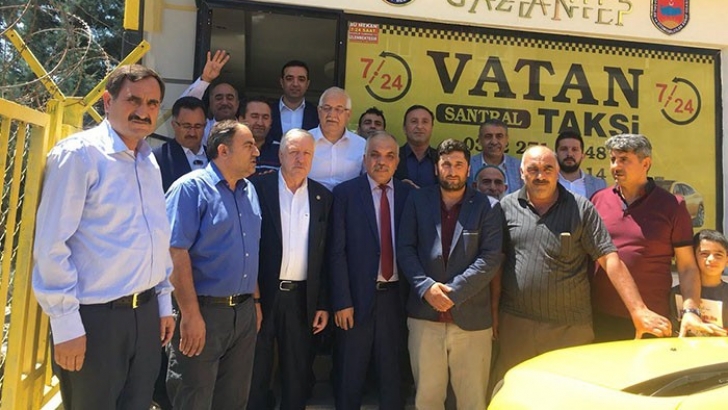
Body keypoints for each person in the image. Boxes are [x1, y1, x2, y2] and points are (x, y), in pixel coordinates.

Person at [32, 64, 175, 409]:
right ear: (108, 101)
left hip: (145, 316)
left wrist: (163, 304)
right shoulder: (79, 155)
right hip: (95, 321)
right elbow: (51, 246)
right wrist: (66, 325)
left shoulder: (149, 162)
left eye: (152, 103)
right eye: (133, 100)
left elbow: (156, 238)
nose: (143, 111)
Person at [492, 145, 672, 386]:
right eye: (533, 169)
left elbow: (609, 258)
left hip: (569, 329)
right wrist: (494, 312)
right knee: (516, 391)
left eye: (548, 169)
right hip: (517, 325)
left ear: (557, 172)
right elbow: (497, 264)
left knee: (568, 395)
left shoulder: (581, 208)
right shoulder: (506, 207)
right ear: (521, 173)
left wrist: (638, 310)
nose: (540, 176)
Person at [397, 139, 502, 409]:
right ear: (436, 168)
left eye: (458, 164)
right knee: (427, 398)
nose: (452, 171)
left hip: (471, 320)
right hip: (424, 317)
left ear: (468, 169)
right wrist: (426, 287)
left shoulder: (488, 206)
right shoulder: (417, 200)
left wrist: (453, 293)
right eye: (446, 164)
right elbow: (405, 248)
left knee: (472, 400)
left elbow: (490, 258)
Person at [165, 120, 262, 409]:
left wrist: (255, 302)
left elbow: (249, 252)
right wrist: (190, 314)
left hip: (243, 314)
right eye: (248, 145)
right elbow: (175, 253)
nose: (257, 151)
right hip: (203, 313)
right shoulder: (190, 189)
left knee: (233, 400)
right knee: (194, 398)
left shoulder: (249, 190)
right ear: (223, 150)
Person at [591, 134, 724, 341]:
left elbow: (687, 266)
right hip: (601, 317)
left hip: (654, 321)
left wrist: (690, 311)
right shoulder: (598, 200)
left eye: (624, 159)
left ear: (646, 163)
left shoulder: (672, 205)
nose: (616, 166)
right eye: (613, 159)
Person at [248, 129, 332, 410]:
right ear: (280, 154)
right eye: (294, 152)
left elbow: (325, 256)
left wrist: (322, 303)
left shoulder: (322, 197)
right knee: (256, 369)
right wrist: (253, 299)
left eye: (307, 153)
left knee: (296, 372)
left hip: (301, 298)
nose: (300, 158)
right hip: (263, 295)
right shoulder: (257, 188)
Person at [330, 131, 412, 409]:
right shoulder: (345, 194)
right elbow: (336, 252)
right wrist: (342, 301)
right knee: (349, 376)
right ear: (364, 159)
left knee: (393, 376)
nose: (381, 161)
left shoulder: (410, 195)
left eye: (389, 156)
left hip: (395, 299)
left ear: (397, 162)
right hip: (355, 299)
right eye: (375, 155)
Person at [670, 230, 728, 336]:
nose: (711, 259)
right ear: (692, 257)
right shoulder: (676, 293)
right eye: (704, 254)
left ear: (727, 260)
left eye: (718, 255)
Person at [307, 87, 365, 191]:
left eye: (338, 109)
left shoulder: (361, 145)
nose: (332, 114)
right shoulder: (304, 141)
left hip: (348, 200)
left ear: (348, 115)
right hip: (311, 199)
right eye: (327, 108)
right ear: (319, 112)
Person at [181, 50, 237, 142]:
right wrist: (206, 79)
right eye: (219, 98)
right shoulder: (201, 129)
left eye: (230, 98)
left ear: (237, 104)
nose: (224, 102)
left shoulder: (247, 130)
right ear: (210, 104)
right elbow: (184, 107)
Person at [154, 96, 208, 192]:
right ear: (174, 125)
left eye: (198, 126)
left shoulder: (216, 156)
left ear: (205, 125)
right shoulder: (158, 158)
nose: (192, 133)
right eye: (186, 126)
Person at [268, 60, 319, 142]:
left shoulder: (317, 114)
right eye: (289, 79)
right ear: (282, 82)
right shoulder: (268, 112)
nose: (295, 84)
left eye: (301, 79)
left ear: (307, 84)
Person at [468, 119, 522, 193]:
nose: (494, 142)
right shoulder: (468, 165)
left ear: (506, 139)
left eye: (499, 136)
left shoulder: (518, 167)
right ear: (480, 140)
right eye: (488, 136)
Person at [394, 105, 438, 188]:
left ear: (431, 128)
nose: (419, 126)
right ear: (404, 128)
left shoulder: (440, 159)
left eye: (425, 122)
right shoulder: (392, 157)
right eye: (414, 121)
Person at [554, 128, 606, 198]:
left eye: (575, 149)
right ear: (556, 154)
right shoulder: (547, 182)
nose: (569, 154)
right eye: (564, 149)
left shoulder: (599, 185)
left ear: (582, 155)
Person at [239, 97, 281, 176]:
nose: (260, 123)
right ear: (241, 120)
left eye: (265, 117)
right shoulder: (231, 149)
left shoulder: (280, 151)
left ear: (271, 122)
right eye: (254, 116)